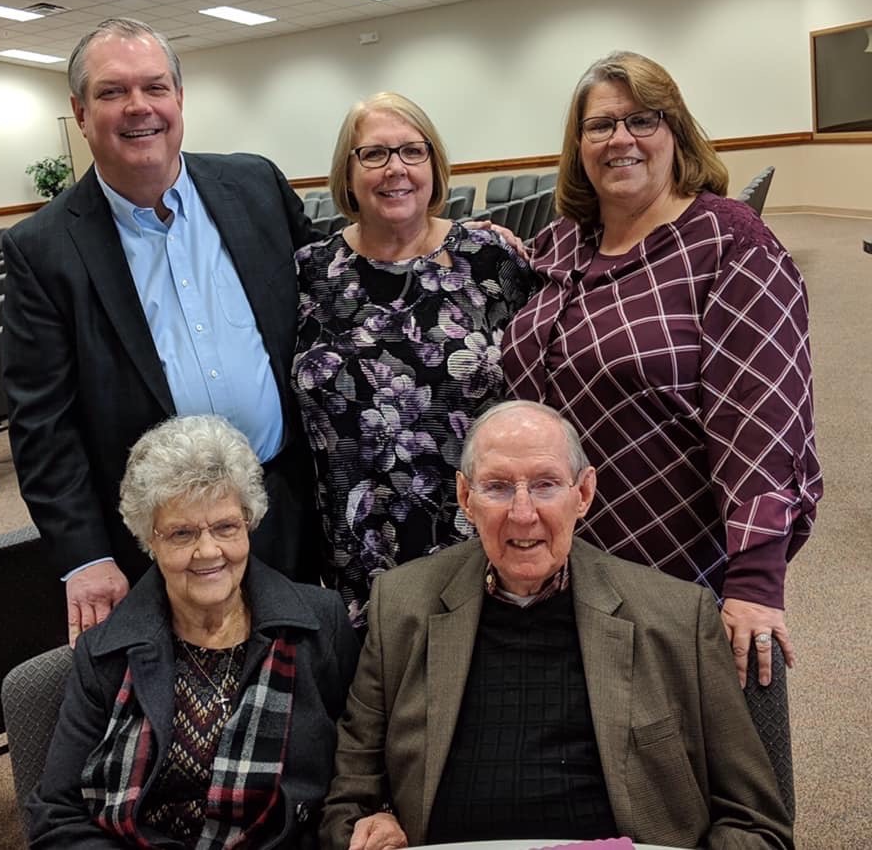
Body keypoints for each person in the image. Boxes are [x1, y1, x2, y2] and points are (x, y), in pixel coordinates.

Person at [319, 401, 793, 850]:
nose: (523, 514)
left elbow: (756, 823)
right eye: (498, 487)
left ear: (583, 493)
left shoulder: (676, 617)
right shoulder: (401, 606)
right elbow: (347, 802)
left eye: (545, 485)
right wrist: (370, 821)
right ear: (466, 497)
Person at [502, 51, 822, 694]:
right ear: (579, 144)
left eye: (641, 119)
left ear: (675, 131)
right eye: (599, 126)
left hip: (674, 561)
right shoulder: (565, 240)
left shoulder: (731, 244)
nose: (620, 139)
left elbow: (762, 418)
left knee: (673, 764)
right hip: (556, 556)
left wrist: (756, 582)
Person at [3, 18, 320, 647]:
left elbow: (335, 286)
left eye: (154, 86)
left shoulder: (255, 185)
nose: (139, 107)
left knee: (311, 675)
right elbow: (42, 423)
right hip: (160, 534)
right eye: (113, 92)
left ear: (180, 98)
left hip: (283, 498)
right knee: (188, 705)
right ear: (81, 111)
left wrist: (443, 245)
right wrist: (84, 554)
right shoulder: (43, 248)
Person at [29, 415, 360, 848]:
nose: (208, 551)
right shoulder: (106, 653)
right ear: (150, 539)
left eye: (225, 527)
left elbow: (360, 770)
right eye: (182, 533)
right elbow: (57, 814)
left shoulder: (320, 623)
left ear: (249, 522)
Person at [292, 92, 533, 631]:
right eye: (373, 154)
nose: (395, 169)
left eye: (411, 151)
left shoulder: (491, 260)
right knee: (376, 703)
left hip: (476, 539)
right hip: (354, 547)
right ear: (347, 173)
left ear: (434, 164)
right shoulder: (307, 273)